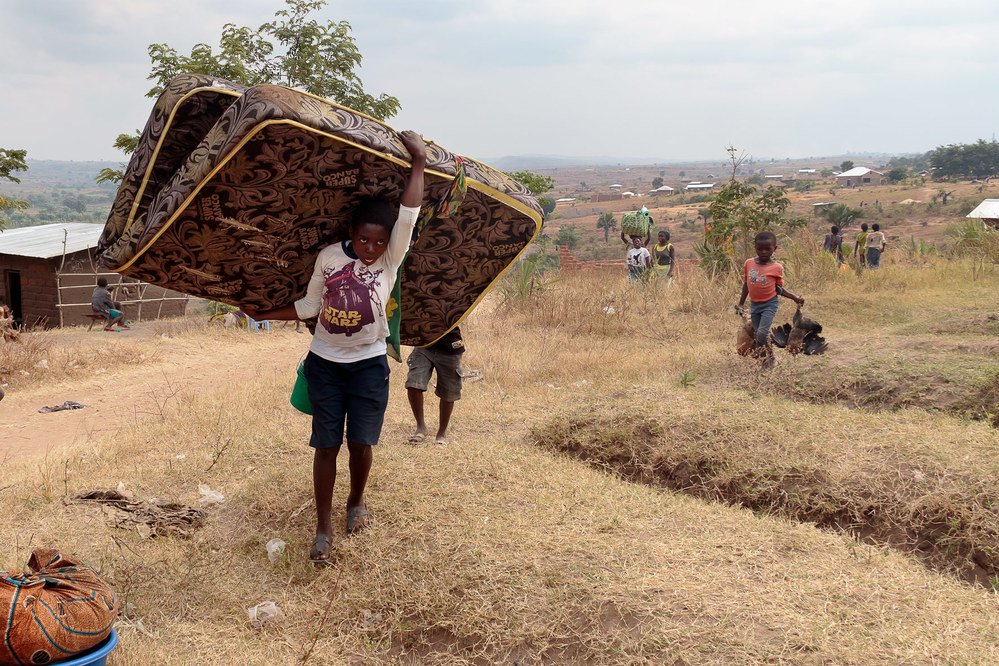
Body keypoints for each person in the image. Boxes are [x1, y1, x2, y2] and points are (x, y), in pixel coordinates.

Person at [244, 130, 426, 564]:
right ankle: (323, 527)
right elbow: (309, 305)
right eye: (363, 240)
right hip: (324, 364)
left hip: (368, 366)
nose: (370, 249)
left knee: (361, 443)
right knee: (326, 445)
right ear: (351, 232)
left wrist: (418, 161)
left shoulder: (389, 259)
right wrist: (263, 312)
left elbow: (409, 216)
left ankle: (356, 502)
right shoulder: (329, 257)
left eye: (378, 242)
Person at [736, 231, 805, 369]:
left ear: (775, 248)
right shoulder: (749, 264)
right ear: (755, 247)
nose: (763, 252)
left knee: (762, 333)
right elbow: (746, 284)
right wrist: (741, 304)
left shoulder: (776, 267)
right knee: (757, 334)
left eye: (768, 249)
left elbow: (778, 289)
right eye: (759, 248)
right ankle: (765, 357)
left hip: (769, 304)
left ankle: (769, 359)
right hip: (755, 305)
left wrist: (794, 297)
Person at [406, 326, 465, 445]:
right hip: (424, 344)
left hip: (450, 346)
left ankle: (441, 433)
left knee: (449, 391)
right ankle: (421, 426)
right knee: (414, 383)